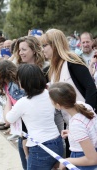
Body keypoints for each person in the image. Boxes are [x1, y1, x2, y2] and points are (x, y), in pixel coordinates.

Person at [40, 28, 97, 157]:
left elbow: (91, 88)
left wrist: (85, 115)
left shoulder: (72, 61)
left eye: (45, 45)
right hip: (71, 125)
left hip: (86, 122)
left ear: (55, 44)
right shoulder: (50, 69)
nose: (42, 49)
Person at [5, 64, 63, 170]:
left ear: (23, 82)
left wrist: (8, 100)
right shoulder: (49, 93)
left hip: (40, 147)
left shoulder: (23, 102)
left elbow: (8, 119)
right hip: (57, 140)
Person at [49, 82, 97, 170]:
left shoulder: (76, 124)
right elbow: (88, 128)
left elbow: (93, 159)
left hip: (82, 158)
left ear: (58, 105)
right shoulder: (84, 106)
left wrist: (67, 161)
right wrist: (72, 134)